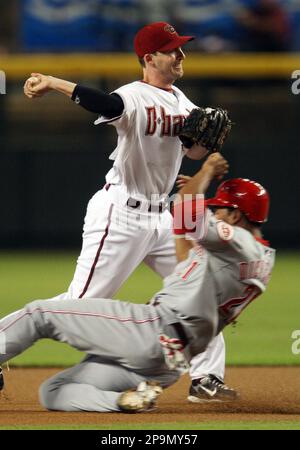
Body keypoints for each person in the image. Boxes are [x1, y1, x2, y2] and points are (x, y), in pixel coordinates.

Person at [23, 21, 233, 401]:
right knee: (81, 306)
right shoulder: (132, 96)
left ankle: (206, 379)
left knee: (201, 293)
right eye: (172, 50)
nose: (181, 54)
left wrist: (205, 146)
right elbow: (105, 104)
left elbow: (190, 151)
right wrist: (54, 82)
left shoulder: (182, 101)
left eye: (181, 48)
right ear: (150, 58)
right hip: (121, 212)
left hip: (163, 218)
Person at [0, 153, 275, 412]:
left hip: (151, 331)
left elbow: (187, 209)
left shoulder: (237, 241)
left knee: (39, 314)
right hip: (168, 364)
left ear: (236, 216)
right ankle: (125, 400)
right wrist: (187, 200)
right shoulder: (261, 260)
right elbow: (184, 259)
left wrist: (205, 172)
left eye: (219, 209)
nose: (213, 214)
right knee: (53, 390)